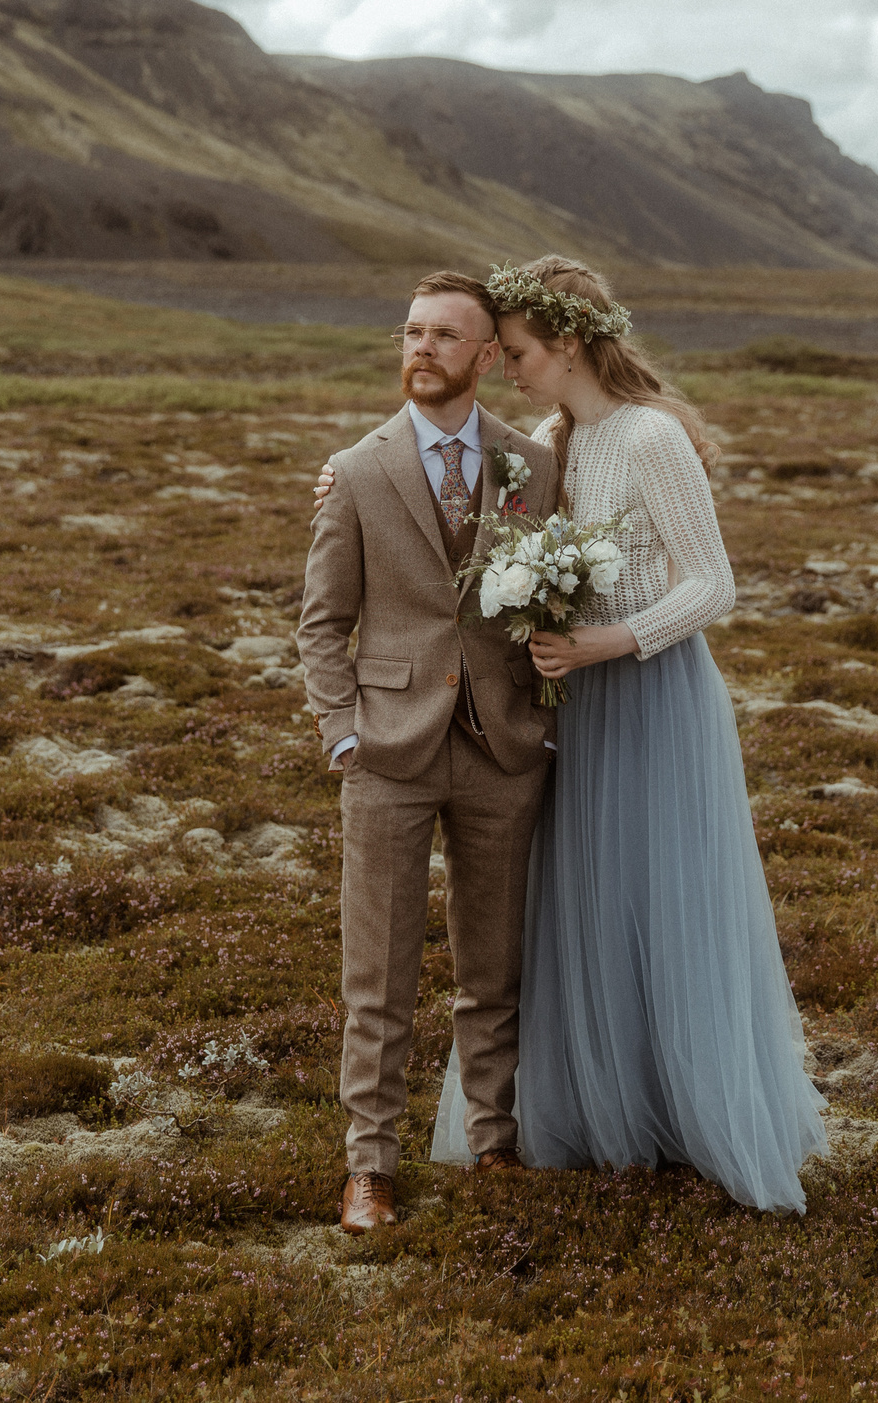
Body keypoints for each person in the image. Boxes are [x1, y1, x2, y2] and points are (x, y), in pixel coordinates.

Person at [316, 257, 825, 1213]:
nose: (506, 366)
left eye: (514, 350)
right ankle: (581, 1115)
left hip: (643, 695)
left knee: (656, 909)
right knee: (579, 912)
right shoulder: (549, 441)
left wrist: (610, 641)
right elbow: (437, 517)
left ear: (568, 343)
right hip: (561, 710)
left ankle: (680, 1111)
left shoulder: (641, 439)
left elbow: (713, 583)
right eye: (496, 349)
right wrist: (351, 485)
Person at [296, 270, 563, 1235]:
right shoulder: (357, 471)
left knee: (495, 968)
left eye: (446, 336)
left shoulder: (534, 466)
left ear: (487, 356)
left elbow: (561, 600)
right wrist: (343, 734)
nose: (422, 349)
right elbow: (322, 624)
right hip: (389, 755)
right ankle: (369, 1168)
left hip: (505, 751)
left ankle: (492, 1143)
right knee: (380, 975)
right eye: (412, 331)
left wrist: (548, 713)